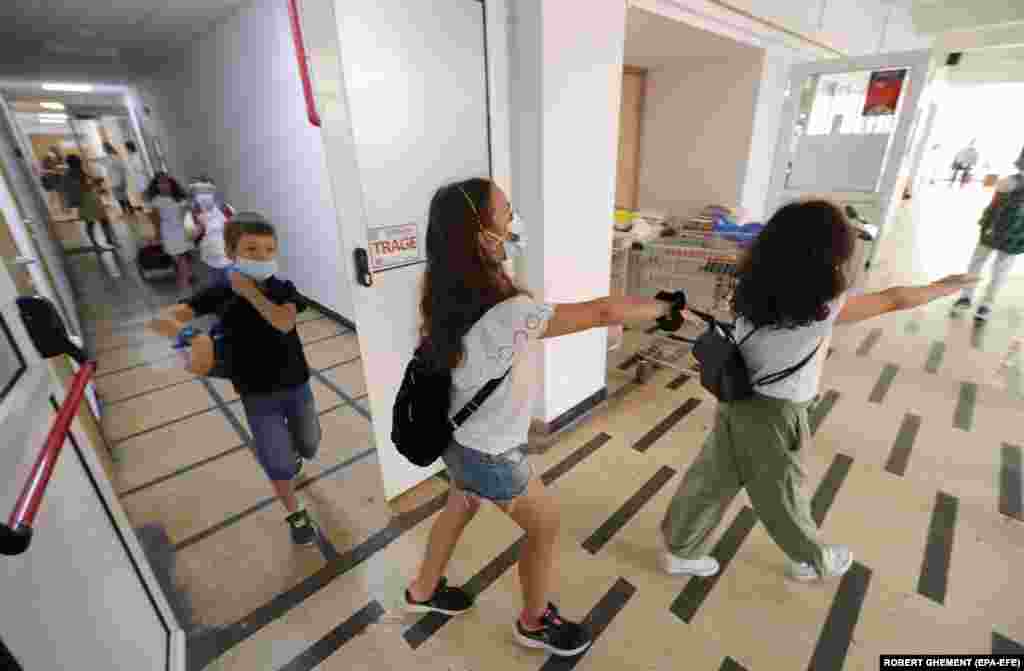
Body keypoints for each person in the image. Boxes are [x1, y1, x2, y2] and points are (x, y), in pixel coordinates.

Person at [403, 178, 688, 658]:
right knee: (545, 524)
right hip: (488, 451)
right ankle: (534, 624)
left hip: (458, 436)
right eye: (507, 212)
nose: (514, 219)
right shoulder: (509, 312)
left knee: (462, 504)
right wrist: (660, 309)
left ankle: (423, 591)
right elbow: (599, 312)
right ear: (480, 236)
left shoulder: (445, 286)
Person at [658, 200, 979, 583]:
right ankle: (812, 559)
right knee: (781, 490)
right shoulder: (824, 306)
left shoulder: (749, 285)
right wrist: (944, 288)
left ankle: (682, 547)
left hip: (735, 395)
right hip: (777, 411)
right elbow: (895, 299)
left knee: (715, 474)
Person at [149, 213, 322, 545]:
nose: (262, 257)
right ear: (231, 252)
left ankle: (294, 455)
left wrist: (252, 294)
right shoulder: (218, 290)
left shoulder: (281, 287)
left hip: (297, 386)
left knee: (310, 444)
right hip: (257, 394)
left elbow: (284, 323)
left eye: (269, 250)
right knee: (277, 461)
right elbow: (162, 319)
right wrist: (190, 336)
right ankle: (295, 513)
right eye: (252, 249)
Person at [953, 147, 1024, 322]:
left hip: (1016, 232)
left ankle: (986, 304)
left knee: (1000, 268)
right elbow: (998, 197)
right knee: (979, 261)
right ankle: (967, 296)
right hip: (994, 226)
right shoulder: (1009, 182)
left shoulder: (1009, 182)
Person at [145, 172, 193, 290]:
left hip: (181, 230)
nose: (163, 186)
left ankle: (185, 279)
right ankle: (187, 273)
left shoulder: (179, 197)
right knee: (175, 255)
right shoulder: (156, 200)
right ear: (156, 186)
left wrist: (191, 229)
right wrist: (157, 235)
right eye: (160, 183)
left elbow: (188, 214)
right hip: (167, 230)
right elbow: (154, 219)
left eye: (165, 183)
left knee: (181, 255)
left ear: (171, 183)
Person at [63, 154, 119, 251]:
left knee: (100, 220)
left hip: (91, 198)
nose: (80, 162)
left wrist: (95, 181)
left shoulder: (78, 171)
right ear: (74, 162)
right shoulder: (71, 174)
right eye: (78, 161)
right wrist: (94, 183)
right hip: (86, 199)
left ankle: (107, 240)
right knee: (92, 222)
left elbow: (88, 181)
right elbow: (82, 187)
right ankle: (98, 243)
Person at [102, 142, 135, 215]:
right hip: (116, 179)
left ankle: (127, 210)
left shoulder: (113, 157)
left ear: (106, 149)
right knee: (122, 195)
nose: (103, 149)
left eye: (104, 148)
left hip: (117, 179)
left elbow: (122, 168)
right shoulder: (113, 157)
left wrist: (122, 179)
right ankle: (128, 209)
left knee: (120, 195)